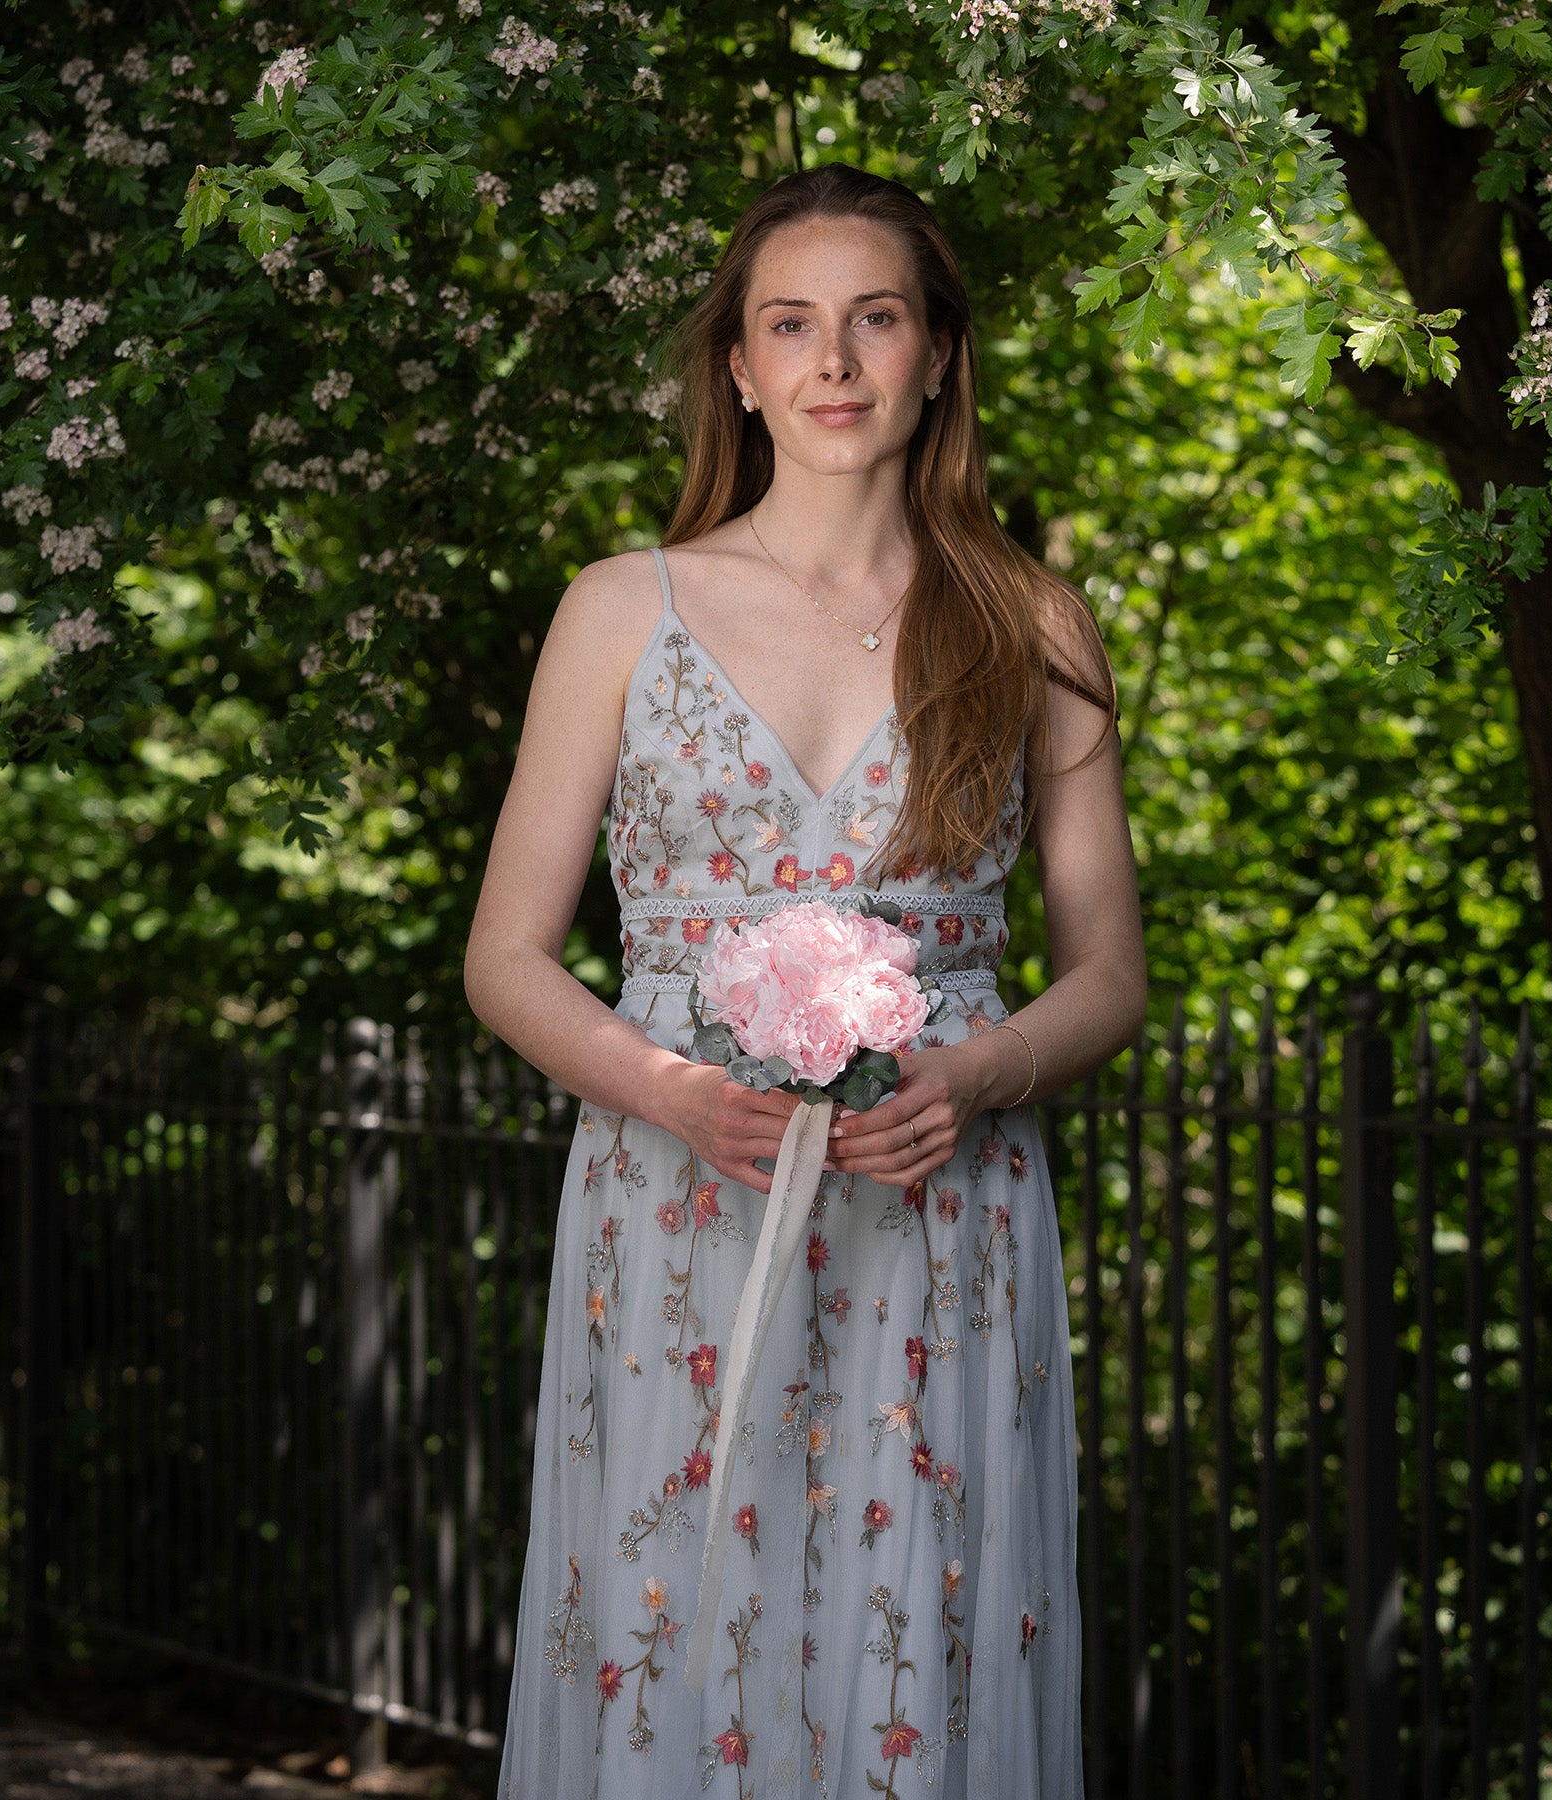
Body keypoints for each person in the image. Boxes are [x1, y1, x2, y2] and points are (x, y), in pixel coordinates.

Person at [465, 161, 1146, 1800]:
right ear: (741, 368)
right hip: (679, 1201)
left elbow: (1109, 973)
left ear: (938, 359)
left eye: (876, 319)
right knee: (676, 1624)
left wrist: (974, 1076)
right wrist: (673, 1091)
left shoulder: (1034, 623)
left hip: (941, 1219)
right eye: (793, 324)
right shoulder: (624, 609)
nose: (835, 360)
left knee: (929, 1632)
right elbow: (503, 955)